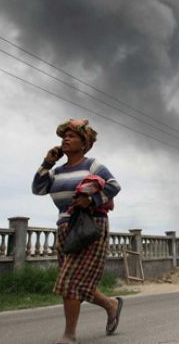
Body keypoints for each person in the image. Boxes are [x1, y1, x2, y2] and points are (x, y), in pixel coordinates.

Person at [32, 119, 123, 344]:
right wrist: (47, 162)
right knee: (78, 283)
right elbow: (38, 188)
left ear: (84, 143)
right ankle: (111, 304)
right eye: (64, 136)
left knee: (70, 282)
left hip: (91, 227)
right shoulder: (57, 172)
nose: (66, 139)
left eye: (72, 136)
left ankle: (69, 335)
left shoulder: (92, 166)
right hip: (65, 228)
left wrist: (91, 199)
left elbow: (114, 185)